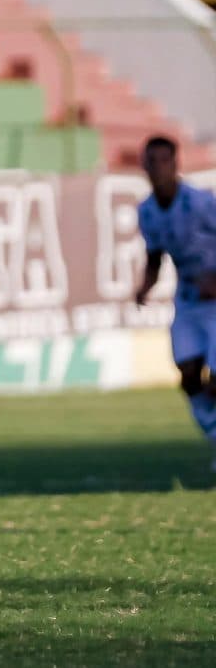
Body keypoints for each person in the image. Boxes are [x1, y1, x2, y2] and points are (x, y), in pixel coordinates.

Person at [134, 135, 216, 472]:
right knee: (189, 376)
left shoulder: (200, 202)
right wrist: (145, 287)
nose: (157, 167)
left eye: (163, 160)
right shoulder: (147, 211)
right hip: (188, 301)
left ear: (176, 163)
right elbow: (155, 257)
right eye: (151, 161)